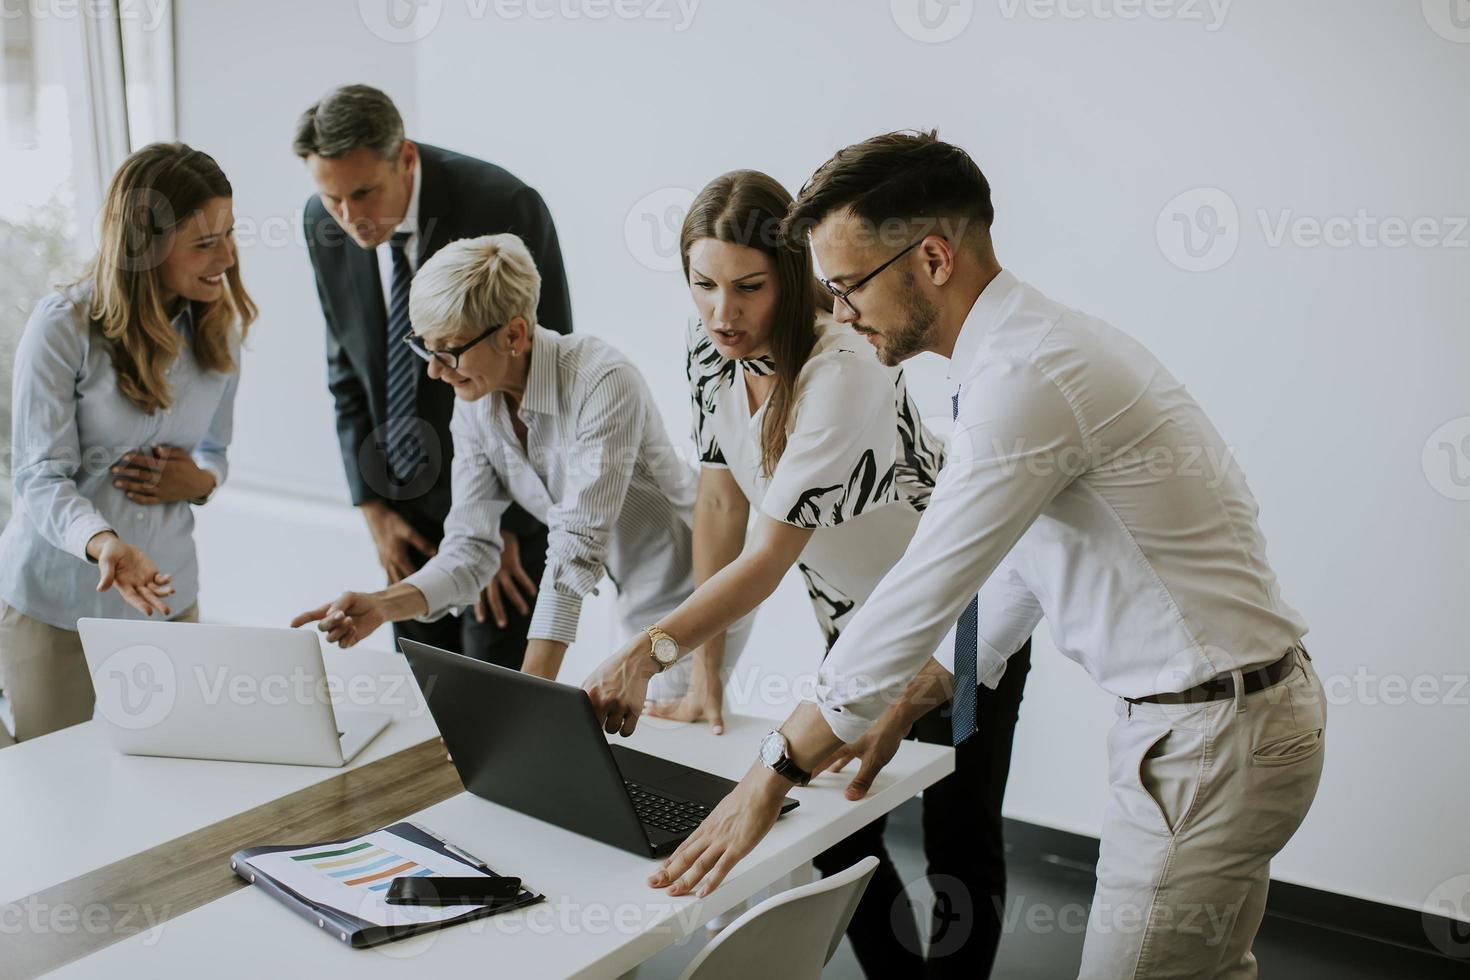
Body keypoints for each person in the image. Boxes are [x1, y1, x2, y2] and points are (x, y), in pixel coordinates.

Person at [584, 131, 1326, 979]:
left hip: (1207, 729)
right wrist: (931, 680)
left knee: (964, 831)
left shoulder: (1022, 380)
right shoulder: (1016, 359)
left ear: (932, 257)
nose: (844, 310)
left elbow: (925, 586)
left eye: (850, 284)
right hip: (1194, 716)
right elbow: (1018, 557)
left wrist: (770, 771)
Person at [588, 169, 1030, 978]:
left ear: (793, 276)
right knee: (836, 822)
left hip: (965, 616)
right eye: (704, 286)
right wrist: (702, 674)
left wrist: (645, 651)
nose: (723, 313)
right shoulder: (712, 349)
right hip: (854, 624)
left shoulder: (847, 369)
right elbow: (719, 504)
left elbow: (764, 557)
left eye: (749, 288)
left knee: (958, 834)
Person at [292, 234, 746, 682]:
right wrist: (383, 604)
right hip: (632, 588)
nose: (433, 370)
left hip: (700, 583)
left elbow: (575, 547)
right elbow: (470, 549)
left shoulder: (602, 380)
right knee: (634, 737)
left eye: (448, 351)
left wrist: (530, 695)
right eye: (425, 348)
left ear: (513, 334)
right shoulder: (475, 401)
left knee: (666, 735)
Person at [294, 84, 573, 671]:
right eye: (332, 197)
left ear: (407, 158)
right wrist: (372, 506)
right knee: (427, 697)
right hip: (403, 507)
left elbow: (549, 374)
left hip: (503, 509)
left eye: (364, 192)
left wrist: (509, 529)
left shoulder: (504, 206)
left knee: (499, 702)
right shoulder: (323, 220)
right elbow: (345, 366)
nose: (349, 217)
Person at [0, 143, 253, 745]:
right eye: (203, 243)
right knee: (58, 794)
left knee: (167, 789)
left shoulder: (220, 328)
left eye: (230, 233)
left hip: (168, 602)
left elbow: (215, 450)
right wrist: (103, 541)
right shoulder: (62, 325)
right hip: (58, 606)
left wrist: (203, 481)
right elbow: (39, 474)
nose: (226, 257)